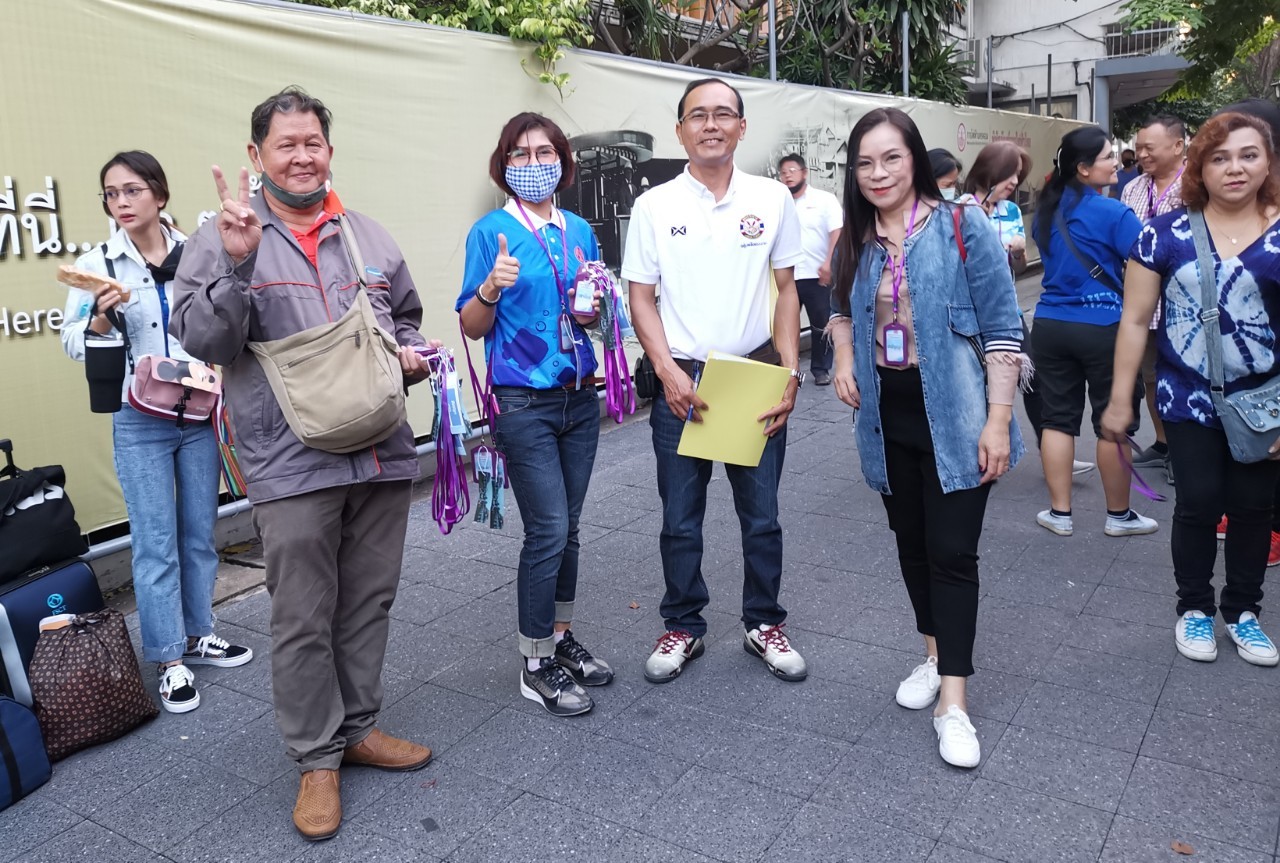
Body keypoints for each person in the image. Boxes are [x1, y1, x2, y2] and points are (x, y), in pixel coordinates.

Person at [170, 87, 435, 841]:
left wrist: (409, 353)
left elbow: (404, 315)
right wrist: (236, 264)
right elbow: (205, 339)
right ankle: (317, 759)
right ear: (257, 155)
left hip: (380, 450)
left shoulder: (367, 234)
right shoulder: (223, 237)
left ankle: (359, 728)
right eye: (285, 144)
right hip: (291, 461)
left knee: (369, 600)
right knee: (302, 615)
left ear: (329, 150)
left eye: (312, 142)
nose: (302, 156)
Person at [829, 108, 1026, 767]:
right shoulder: (855, 237)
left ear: (914, 157)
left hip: (960, 413)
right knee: (912, 546)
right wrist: (845, 358)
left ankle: (954, 703)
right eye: (864, 162)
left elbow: (1003, 328)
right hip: (886, 416)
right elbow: (839, 309)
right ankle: (936, 656)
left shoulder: (963, 225)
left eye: (891, 157)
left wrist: (998, 421)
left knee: (951, 552)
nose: (878, 173)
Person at [622, 77, 807, 685]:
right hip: (683, 379)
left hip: (754, 373)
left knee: (763, 515)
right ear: (680, 131)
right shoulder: (655, 206)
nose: (711, 124)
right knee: (680, 518)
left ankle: (764, 622)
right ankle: (683, 624)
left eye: (723, 114)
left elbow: (787, 289)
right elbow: (640, 297)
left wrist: (789, 371)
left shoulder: (772, 198)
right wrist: (667, 371)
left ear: (741, 127)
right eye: (697, 115)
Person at [59, 151, 253, 714]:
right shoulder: (98, 265)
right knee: (154, 542)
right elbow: (71, 342)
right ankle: (169, 660)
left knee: (199, 533)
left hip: (197, 412)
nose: (121, 202)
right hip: (138, 417)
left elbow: (220, 317)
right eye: (111, 193)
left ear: (159, 195)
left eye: (132, 190)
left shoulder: (196, 252)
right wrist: (99, 317)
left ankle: (199, 634)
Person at [1101, 111, 1280, 669]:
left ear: (1268, 162)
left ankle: (1244, 610)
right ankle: (1195, 607)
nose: (1234, 168)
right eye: (1219, 157)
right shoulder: (1163, 234)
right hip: (1186, 398)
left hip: (1265, 404)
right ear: (1199, 165)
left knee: (1254, 507)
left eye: (1248, 155)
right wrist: (1120, 398)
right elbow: (1136, 320)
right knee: (1198, 503)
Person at [457, 112, 612, 717]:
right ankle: (534, 661)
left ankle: (560, 636)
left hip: (579, 396)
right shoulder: (490, 232)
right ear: (504, 165)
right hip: (522, 401)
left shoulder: (580, 231)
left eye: (544, 152)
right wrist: (491, 288)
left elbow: (588, 316)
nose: (533, 164)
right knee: (547, 529)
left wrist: (593, 309)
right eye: (519, 155)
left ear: (562, 161)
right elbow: (472, 326)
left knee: (568, 528)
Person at [1029, 127, 1157, 539]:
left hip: (1049, 325)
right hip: (1104, 327)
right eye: (1107, 156)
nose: (1116, 162)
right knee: (1112, 424)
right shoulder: (1114, 213)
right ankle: (1118, 516)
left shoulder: (1046, 211)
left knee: (1056, 420)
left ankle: (1059, 513)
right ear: (1083, 169)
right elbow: (1149, 260)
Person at [1121, 115, 1187, 482]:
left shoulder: (1198, 184)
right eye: (1139, 148)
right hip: (1144, 305)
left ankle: (1185, 451)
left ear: (1178, 145)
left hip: (1184, 305)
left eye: (1149, 148)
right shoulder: (1133, 188)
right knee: (1151, 378)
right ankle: (1163, 444)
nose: (1142, 154)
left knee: (1184, 377)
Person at [778, 153, 842, 386]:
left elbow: (836, 231)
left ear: (804, 173)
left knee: (821, 324)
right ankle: (787, 369)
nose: (788, 176)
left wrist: (829, 263)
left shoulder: (824, 200)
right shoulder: (778, 202)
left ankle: (821, 369)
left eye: (792, 171)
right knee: (784, 326)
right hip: (785, 276)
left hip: (816, 274)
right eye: (783, 172)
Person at [957, 141, 1032, 277]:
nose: (1015, 181)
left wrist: (1018, 254)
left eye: (1018, 174)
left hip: (1004, 290)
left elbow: (1019, 269)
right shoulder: (958, 209)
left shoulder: (1012, 211)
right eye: (1010, 173)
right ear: (990, 170)